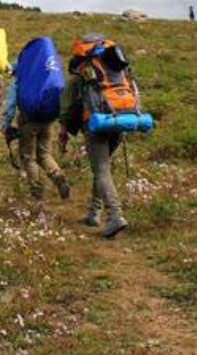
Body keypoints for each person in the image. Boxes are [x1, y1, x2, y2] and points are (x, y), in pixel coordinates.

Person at [60, 34, 130, 239]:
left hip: (97, 124)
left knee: (101, 169)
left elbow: (65, 110)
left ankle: (115, 215)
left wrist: (63, 132)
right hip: (119, 120)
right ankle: (94, 213)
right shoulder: (117, 71)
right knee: (102, 168)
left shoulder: (79, 77)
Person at [2, 39, 70, 202]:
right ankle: (58, 176)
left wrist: (7, 123)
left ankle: (36, 193)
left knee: (29, 157)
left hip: (29, 120)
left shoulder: (24, 74)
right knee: (45, 154)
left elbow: (11, 102)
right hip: (48, 119)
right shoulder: (48, 69)